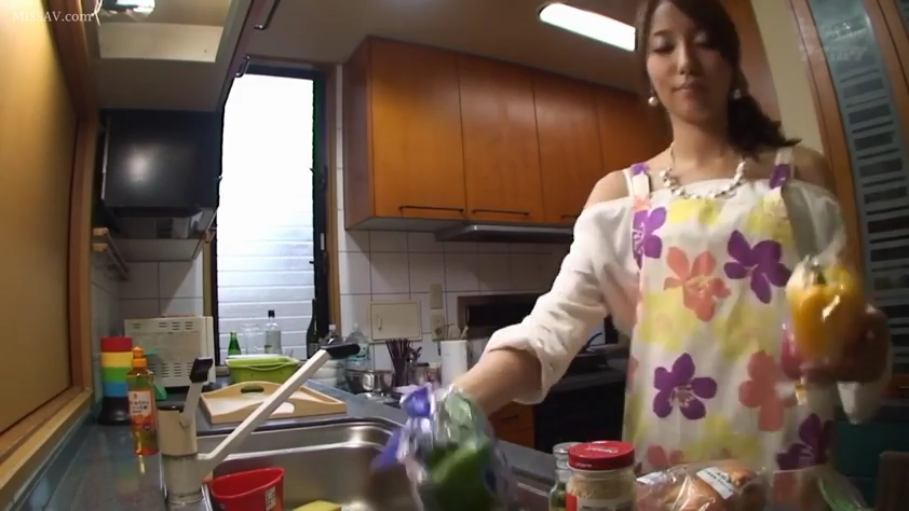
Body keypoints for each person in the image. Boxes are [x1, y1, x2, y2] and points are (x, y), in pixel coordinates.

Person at [451, 0, 892, 475]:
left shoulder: (801, 176)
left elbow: (844, 323)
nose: (686, 62)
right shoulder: (620, 197)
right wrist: (453, 405)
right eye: (664, 47)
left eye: (705, 42)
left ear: (732, 64)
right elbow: (548, 332)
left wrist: (863, 357)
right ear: (647, 73)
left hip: (791, 468)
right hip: (670, 481)